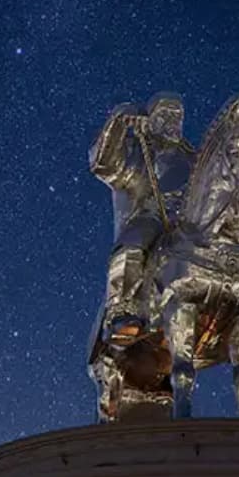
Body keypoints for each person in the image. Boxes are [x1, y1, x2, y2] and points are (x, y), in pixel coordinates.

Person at [88, 93, 191, 346]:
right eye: (166, 114)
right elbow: (103, 164)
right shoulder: (140, 151)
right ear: (151, 119)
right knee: (131, 247)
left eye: (178, 116)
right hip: (153, 216)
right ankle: (123, 310)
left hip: (192, 222)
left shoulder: (193, 157)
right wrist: (119, 120)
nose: (173, 121)